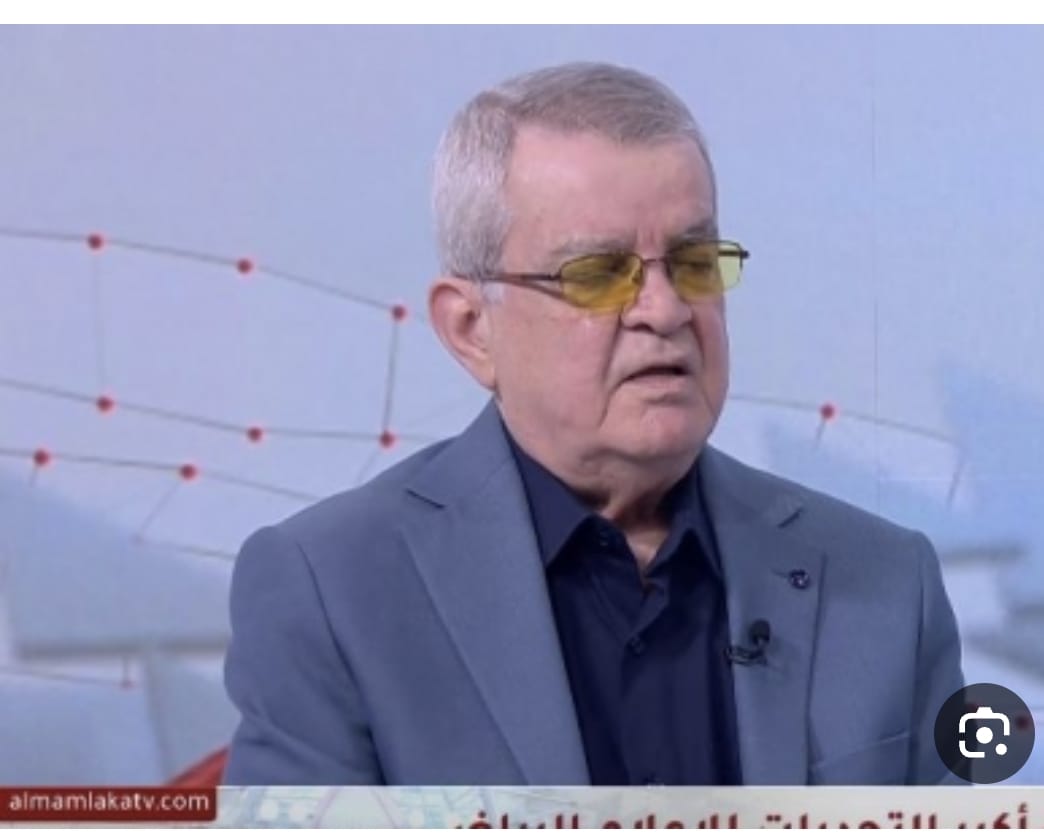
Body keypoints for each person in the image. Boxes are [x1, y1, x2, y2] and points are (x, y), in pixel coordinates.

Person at [222, 62, 964, 786]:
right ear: (472, 329)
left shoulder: (887, 583)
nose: (666, 311)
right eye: (599, 275)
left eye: (694, 262)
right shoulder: (334, 591)